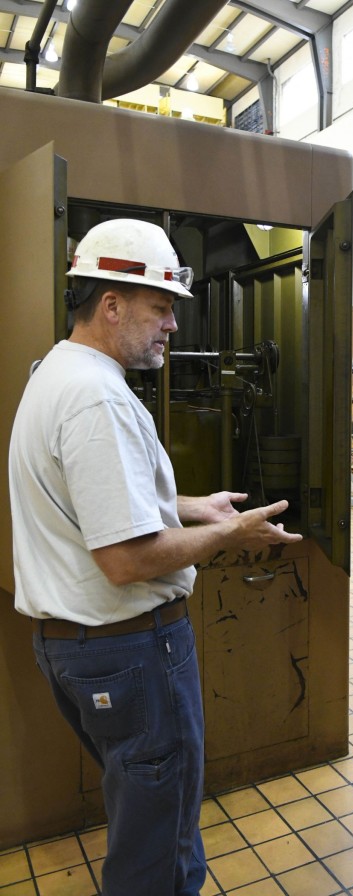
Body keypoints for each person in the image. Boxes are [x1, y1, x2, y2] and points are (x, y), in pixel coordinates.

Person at [9, 218, 302, 896]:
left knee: (148, 815)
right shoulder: (96, 397)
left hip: (79, 648)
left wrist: (193, 507)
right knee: (159, 851)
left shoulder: (57, 373)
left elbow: (100, 506)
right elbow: (127, 559)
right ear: (111, 304)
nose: (172, 325)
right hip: (130, 651)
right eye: (162, 307)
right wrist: (230, 535)